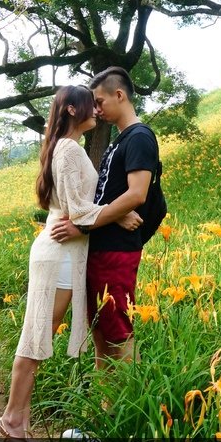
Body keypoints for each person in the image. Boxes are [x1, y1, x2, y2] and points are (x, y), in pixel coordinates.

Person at [0, 85, 142, 442]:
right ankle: (11, 420)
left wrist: (108, 213)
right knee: (38, 336)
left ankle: (19, 421)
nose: (98, 107)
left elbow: (82, 205)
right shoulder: (69, 149)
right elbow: (78, 210)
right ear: (74, 109)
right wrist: (120, 216)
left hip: (62, 252)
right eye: (92, 102)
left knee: (41, 334)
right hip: (58, 255)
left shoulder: (64, 146)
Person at [51, 66, 158, 369]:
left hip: (117, 249)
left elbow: (137, 194)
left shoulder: (139, 137)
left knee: (118, 329)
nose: (95, 109)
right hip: (102, 245)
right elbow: (107, 195)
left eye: (99, 101)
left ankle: (130, 408)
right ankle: (107, 408)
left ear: (119, 95)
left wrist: (83, 224)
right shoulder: (119, 141)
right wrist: (105, 218)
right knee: (102, 328)